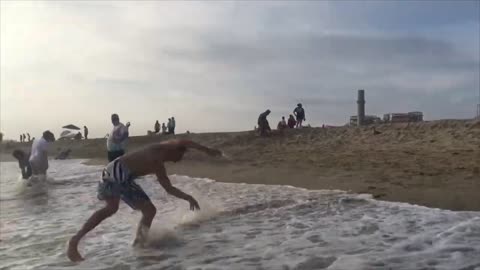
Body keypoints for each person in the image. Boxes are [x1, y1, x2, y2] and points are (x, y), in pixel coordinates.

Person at [67, 139, 222, 262]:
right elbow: (183, 145)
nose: (179, 160)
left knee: (147, 210)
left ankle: (139, 244)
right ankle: (76, 240)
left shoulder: (161, 154)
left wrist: (207, 151)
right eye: (180, 155)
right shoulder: (157, 155)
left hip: (120, 173)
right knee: (112, 208)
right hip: (116, 173)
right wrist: (188, 197)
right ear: (174, 150)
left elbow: (185, 145)